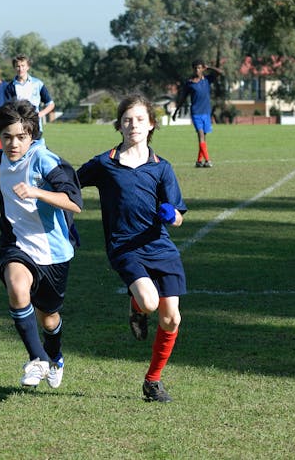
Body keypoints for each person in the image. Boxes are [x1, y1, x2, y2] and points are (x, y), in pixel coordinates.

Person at [0, 99, 82, 389]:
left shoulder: (45, 160)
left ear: (32, 136)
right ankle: (37, 358)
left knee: (48, 319)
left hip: (54, 252)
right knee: (16, 285)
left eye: (21, 137)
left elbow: (74, 203)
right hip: (16, 243)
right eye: (7, 137)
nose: (13, 144)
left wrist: (37, 192)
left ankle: (55, 356)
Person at [77, 92, 187, 403]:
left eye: (140, 119)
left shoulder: (161, 167)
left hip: (160, 247)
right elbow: (70, 183)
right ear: (119, 126)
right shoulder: (104, 163)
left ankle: (152, 381)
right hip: (124, 247)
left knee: (172, 319)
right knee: (151, 302)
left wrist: (171, 214)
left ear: (151, 124)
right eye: (127, 120)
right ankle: (137, 307)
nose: (133, 124)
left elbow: (178, 216)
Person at [172, 59, 223, 167]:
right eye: (195, 68)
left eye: (199, 68)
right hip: (196, 113)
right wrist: (176, 111)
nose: (197, 70)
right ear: (193, 69)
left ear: (202, 69)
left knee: (203, 138)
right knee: (200, 135)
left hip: (206, 113)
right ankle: (208, 160)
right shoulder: (189, 83)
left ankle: (199, 161)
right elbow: (183, 98)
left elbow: (220, 72)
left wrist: (209, 67)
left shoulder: (207, 80)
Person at [5, 54, 55, 133]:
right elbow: (8, 107)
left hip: (35, 127)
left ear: (28, 66)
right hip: (19, 129)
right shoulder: (10, 87)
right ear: (14, 68)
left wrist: (39, 115)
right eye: (18, 66)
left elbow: (51, 104)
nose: (20, 69)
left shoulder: (38, 83)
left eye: (23, 65)